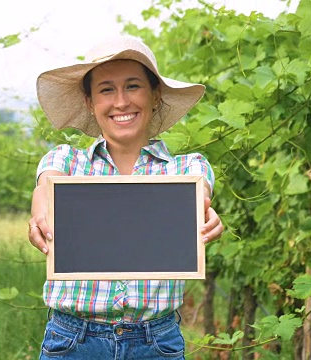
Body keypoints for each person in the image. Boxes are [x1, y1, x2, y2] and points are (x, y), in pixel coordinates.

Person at [28, 36, 224, 359]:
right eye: (106, 89)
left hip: (156, 344)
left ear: (155, 95)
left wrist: (203, 214)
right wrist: (41, 216)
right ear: (90, 102)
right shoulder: (65, 161)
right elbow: (45, 193)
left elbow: (200, 193)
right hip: (73, 342)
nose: (121, 102)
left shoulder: (186, 167)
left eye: (133, 86)